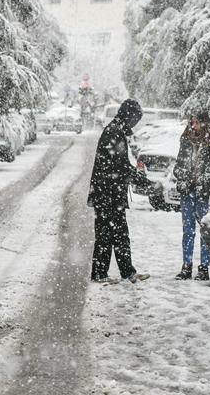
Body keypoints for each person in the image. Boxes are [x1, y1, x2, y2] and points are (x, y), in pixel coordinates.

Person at [87, 99, 152, 284]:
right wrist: (141, 180)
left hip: (111, 192)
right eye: (135, 119)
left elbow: (121, 165)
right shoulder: (114, 132)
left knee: (119, 233)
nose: (135, 123)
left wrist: (136, 177)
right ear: (128, 115)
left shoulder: (117, 130)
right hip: (106, 193)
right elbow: (120, 167)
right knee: (106, 234)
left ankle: (127, 272)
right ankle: (100, 274)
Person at [173, 111, 210, 281]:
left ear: (204, 123)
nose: (194, 126)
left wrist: (208, 180)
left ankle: (204, 268)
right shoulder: (186, 140)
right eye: (192, 122)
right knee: (188, 230)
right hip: (187, 192)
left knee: (205, 230)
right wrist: (181, 175)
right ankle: (186, 266)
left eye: (197, 122)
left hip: (204, 193)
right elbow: (178, 165)